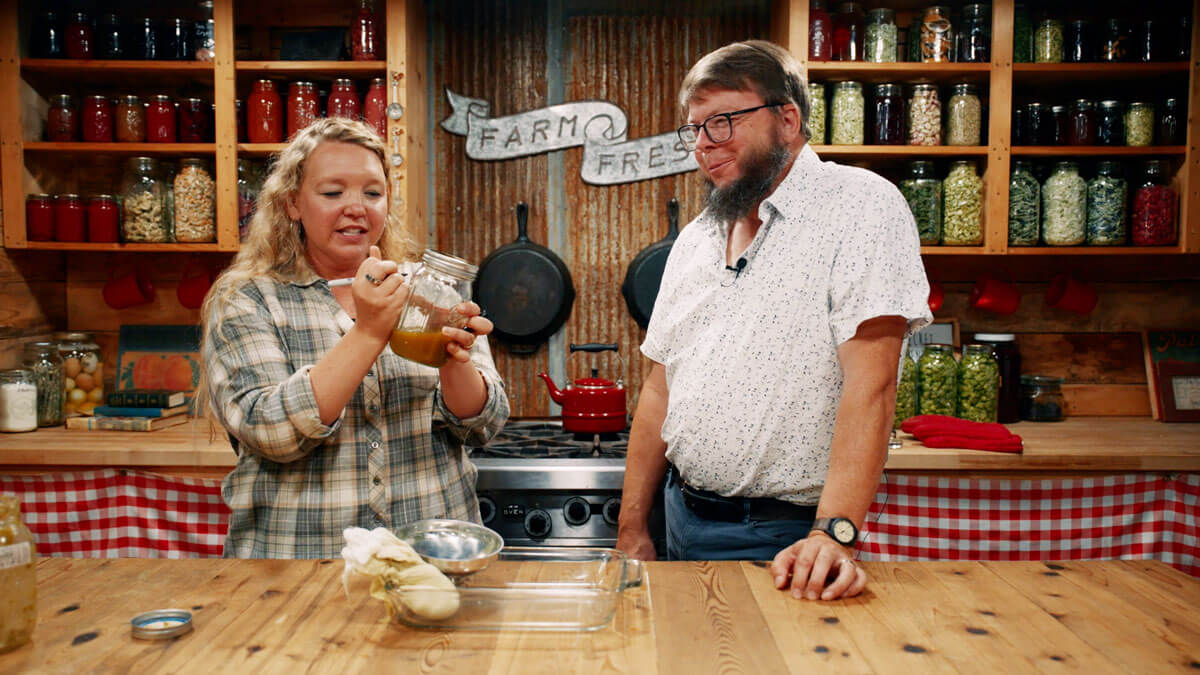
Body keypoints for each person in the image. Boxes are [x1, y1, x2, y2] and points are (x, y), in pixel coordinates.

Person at [616, 41, 931, 601]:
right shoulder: (695, 239)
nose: (703, 146)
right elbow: (659, 389)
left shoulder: (861, 206)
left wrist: (833, 534)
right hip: (678, 518)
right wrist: (632, 528)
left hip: (785, 537)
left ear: (786, 118)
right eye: (693, 129)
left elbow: (873, 384)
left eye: (722, 122)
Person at [201, 118, 509, 559]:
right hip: (297, 569)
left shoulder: (425, 290)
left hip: (430, 561)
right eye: (332, 193)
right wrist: (368, 332)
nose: (356, 207)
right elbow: (269, 431)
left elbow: (484, 424)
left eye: (372, 192)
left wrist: (454, 360)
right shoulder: (247, 299)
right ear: (292, 204)